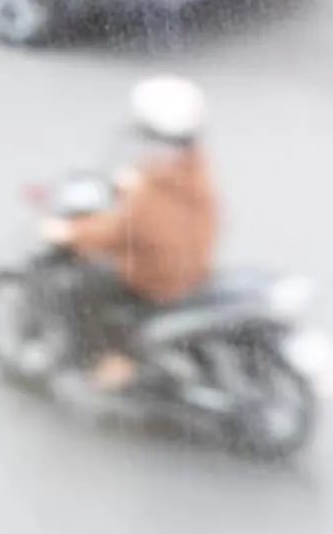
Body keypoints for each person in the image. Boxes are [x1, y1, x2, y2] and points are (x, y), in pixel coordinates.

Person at [44, 75, 220, 390]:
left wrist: (69, 232)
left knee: (89, 286)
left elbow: (112, 232)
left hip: (159, 279)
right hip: (193, 262)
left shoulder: (150, 198)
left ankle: (117, 359)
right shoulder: (193, 168)